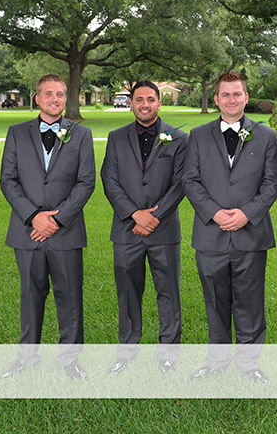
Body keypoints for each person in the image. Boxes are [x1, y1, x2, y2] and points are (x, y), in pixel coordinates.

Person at [182, 71, 277, 383]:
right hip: (210, 235)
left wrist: (247, 214)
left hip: (251, 234)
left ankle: (249, 363)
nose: (231, 99)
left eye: (237, 93)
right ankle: (217, 361)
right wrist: (214, 213)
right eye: (225, 94)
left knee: (250, 301)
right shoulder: (198, 136)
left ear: (246, 97)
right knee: (215, 301)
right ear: (216, 99)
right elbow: (190, 180)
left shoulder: (265, 136)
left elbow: (272, 183)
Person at [0, 74, 96, 379]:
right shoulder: (16, 133)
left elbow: (86, 182)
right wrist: (33, 216)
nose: (55, 99)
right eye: (49, 94)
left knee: (70, 296)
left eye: (60, 94)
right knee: (30, 296)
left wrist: (56, 219)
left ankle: (70, 360)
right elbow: (8, 180)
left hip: (66, 231)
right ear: (37, 98)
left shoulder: (81, 134)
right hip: (27, 232)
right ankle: (27, 358)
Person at [100, 80, 187, 375]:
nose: (145, 104)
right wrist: (134, 214)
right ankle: (126, 352)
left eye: (150, 99)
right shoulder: (116, 138)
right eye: (139, 99)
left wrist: (154, 216)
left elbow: (181, 183)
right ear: (132, 104)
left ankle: (168, 354)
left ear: (159, 103)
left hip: (164, 230)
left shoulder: (178, 138)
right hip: (126, 230)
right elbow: (109, 180)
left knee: (168, 292)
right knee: (127, 293)